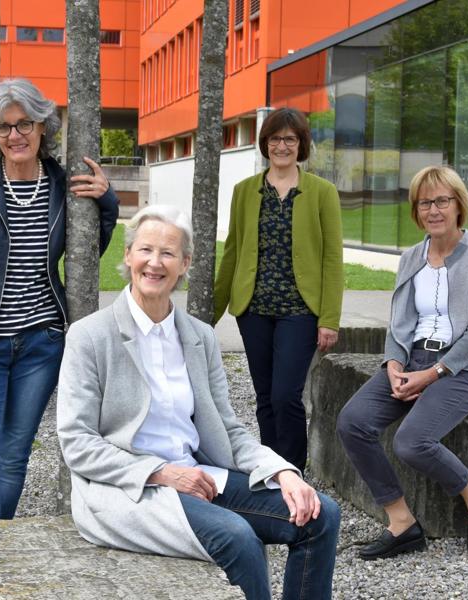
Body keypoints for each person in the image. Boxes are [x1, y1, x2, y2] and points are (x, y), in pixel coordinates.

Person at [57, 206, 340, 600]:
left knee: (320, 515)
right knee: (238, 537)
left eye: (168, 253)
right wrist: (163, 473)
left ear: (185, 263)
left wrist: (282, 473)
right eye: (145, 250)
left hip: (200, 475)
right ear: (128, 255)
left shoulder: (200, 336)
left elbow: (227, 428)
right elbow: (77, 442)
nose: (155, 263)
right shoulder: (90, 336)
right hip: (131, 488)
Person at [0, 78, 118, 528]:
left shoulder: (62, 184)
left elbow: (87, 253)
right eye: (3, 128)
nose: (14, 136)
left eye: (24, 125)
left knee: (15, 454)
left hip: (42, 344)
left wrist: (108, 200)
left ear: (43, 127)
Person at [336, 165, 468, 560]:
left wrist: (431, 374)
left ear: (459, 204)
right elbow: (399, 324)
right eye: (424, 202)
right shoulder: (412, 257)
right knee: (352, 421)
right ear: (416, 210)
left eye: (442, 200)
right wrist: (394, 364)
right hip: (413, 360)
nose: (433, 210)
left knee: (411, 442)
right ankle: (402, 522)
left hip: (462, 367)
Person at [213, 107, 344, 472]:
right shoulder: (245, 192)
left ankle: (293, 472)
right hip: (253, 310)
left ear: (300, 144)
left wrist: (329, 319)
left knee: (287, 396)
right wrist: (208, 315)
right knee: (265, 398)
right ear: (265, 143)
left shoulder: (321, 192)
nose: (282, 145)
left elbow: (333, 260)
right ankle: (271, 471)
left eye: (290, 138)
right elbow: (232, 253)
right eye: (275, 138)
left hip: (299, 311)